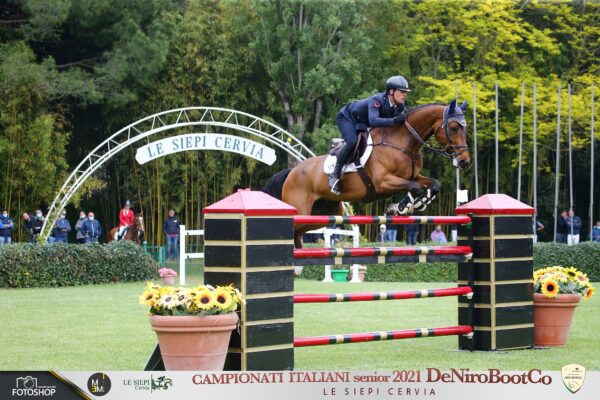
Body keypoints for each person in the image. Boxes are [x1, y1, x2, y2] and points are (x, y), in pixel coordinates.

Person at [328, 76, 411, 195]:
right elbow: (374, 121)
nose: (404, 95)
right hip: (347, 118)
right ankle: (334, 175)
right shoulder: (377, 100)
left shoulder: (400, 106)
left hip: (362, 123)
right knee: (352, 140)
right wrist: (395, 120)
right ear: (391, 91)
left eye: (405, 92)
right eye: (402, 91)